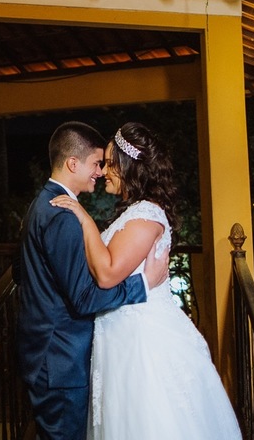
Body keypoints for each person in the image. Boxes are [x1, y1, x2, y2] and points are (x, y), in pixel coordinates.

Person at [50, 121, 242, 440]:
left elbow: (109, 273)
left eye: (111, 163)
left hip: (143, 342)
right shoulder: (132, 213)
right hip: (120, 335)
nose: (104, 171)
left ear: (129, 168)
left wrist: (83, 218)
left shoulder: (147, 216)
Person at [16, 121, 167, 440]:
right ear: (73, 163)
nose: (100, 172)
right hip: (60, 361)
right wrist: (142, 285)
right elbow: (84, 298)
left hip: (53, 355)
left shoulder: (43, 205)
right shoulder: (61, 215)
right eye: (97, 163)